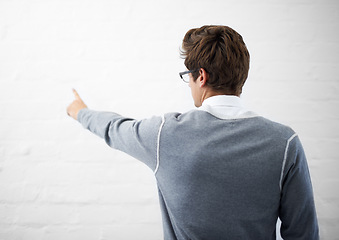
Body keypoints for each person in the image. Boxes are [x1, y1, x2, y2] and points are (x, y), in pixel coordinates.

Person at [67, 25, 319, 240]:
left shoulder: (164, 135)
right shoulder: (285, 143)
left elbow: (114, 128)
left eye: (188, 75)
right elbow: (303, 234)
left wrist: (80, 111)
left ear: (201, 76)